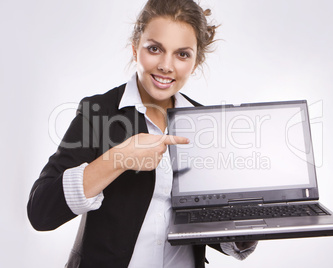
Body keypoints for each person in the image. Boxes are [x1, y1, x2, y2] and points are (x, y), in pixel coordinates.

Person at [27, 0, 258, 267]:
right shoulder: (98, 112)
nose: (166, 65)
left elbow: (210, 227)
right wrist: (119, 159)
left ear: (195, 62)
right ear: (135, 48)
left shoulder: (204, 122)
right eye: (155, 49)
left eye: (182, 54)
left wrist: (248, 222)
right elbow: (40, 212)